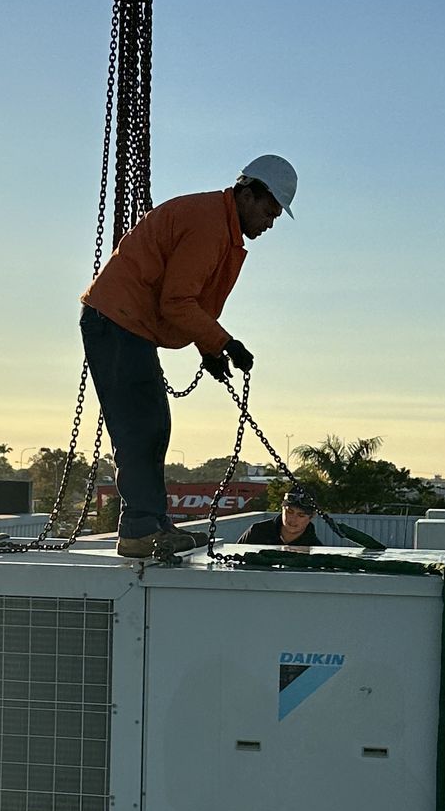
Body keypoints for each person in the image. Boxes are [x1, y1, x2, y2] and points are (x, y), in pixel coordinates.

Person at [79, 155, 298, 559]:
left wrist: (210, 348)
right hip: (118, 321)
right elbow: (177, 302)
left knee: (152, 425)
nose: (269, 224)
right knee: (140, 427)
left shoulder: (217, 223)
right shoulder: (209, 225)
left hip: (127, 323)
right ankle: (140, 529)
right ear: (247, 193)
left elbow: (187, 299)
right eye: (268, 212)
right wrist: (225, 343)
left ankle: (153, 521)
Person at [239, 484, 325, 549]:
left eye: (301, 515)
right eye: (289, 512)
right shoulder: (257, 532)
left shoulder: (315, 548)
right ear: (282, 508)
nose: (293, 519)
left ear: (312, 516)